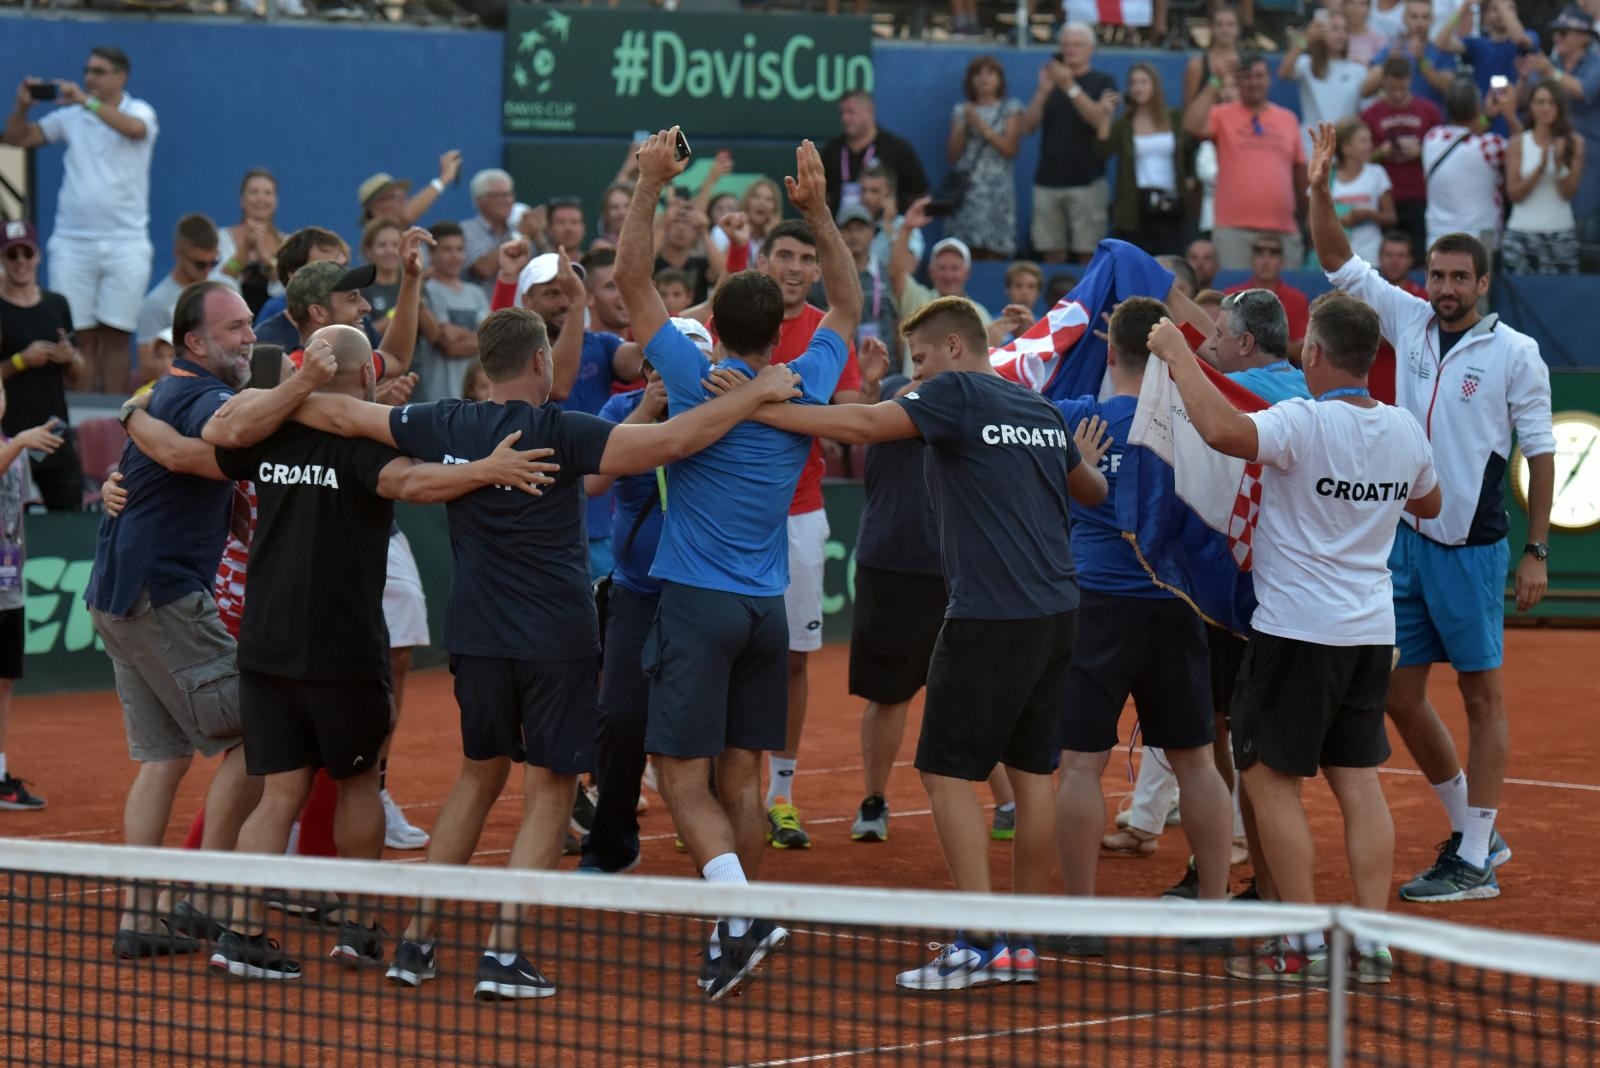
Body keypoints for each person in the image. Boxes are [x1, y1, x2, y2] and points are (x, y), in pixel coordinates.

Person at [285, 296, 799, 998]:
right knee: (550, 788)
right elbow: (675, 444)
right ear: (537, 361)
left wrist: (273, 394)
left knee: (477, 777)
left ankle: (416, 945)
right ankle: (501, 956)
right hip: (556, 638)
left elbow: (340, 413)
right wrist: (759, 393)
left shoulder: (441, 421)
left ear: (484, 366)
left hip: (476, 634)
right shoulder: (566, 430)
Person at [742, 294, 1107, 992]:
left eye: (920, 359)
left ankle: (975, 943)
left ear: (954, 351)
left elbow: (858, 422)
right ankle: (1020, 945)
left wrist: (756, 404)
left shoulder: (958, 395)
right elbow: (1088, 489)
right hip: (1058, 611)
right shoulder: (1038, 407)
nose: (915, 373)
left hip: (989, 614)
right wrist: (1077, 454)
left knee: (943, 772)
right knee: (1031, 777)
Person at [181, 326, 554, 982]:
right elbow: (413, 483)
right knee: (357, 782)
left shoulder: (266, 434)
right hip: (342, 648)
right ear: (361, 380)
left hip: (265, 647)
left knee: (278, 795)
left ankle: (239, 935)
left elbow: (216, 434)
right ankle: (356, 929)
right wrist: (488, 471)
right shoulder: (360, 443)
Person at [611, 132, 857, 999]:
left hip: (697, 606)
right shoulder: (807, 379)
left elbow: (634, 280)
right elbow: (853, 308)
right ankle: (733, 931)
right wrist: (822, 217)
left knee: (682, 776)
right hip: (765, 609)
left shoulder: (689, 373)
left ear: (713, 326)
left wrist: (648, 184)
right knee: (743, 775)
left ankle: (741, 915)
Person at [1144, 291, 1440, 984]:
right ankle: (1368, 942)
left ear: (1314, 352)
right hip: (1369, 635)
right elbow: (1430, 503)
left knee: (1268, 781)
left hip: (1297, 634)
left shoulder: (1301, 423)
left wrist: (1178, 351)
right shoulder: (1402, 429)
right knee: (1358, 783)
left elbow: (1220, 431)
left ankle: (1301, 942)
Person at [1310, 121, 1555, 904]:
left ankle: (1475, 857)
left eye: (1459, 278)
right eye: (1437, 275)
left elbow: (1541, 453)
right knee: (1397, 694)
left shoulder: (1517, 353)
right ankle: (1474, 830)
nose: (1445, 288)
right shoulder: (1408, 319)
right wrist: (1319, 189)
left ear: (1483, 284)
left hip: (1474, 548)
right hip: (1405, 544)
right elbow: (1335, 259)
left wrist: (1537, 550)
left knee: (1482, 698)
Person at [86, 280, 336, 959]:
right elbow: (221, 438)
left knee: (163, 760)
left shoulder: (169, 393)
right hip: (161, 597)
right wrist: (305, 381)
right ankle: (209, 898)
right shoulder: (201, 397)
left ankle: (145, 916)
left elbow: (190, 463)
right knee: (263, 733)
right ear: (194, 342)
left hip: (116, 597)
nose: (248, 335)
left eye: (250, 322)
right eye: (233, 328)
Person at [1054, 297, 1235, 935]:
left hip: (1095, 606)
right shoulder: (1194, 426)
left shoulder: (1075, 417)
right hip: (1175, 605)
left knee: (1080, 763)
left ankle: (1079, 918)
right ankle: (1215, 909)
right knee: (1196, 761)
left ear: (1110, 352)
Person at [578, 317, 716, 874]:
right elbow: (593, 481)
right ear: (651, 369)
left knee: (715, 729)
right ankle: (611, 846)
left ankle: (717, 842)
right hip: (637, 593)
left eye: (699, 361)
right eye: (673, 363)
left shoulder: (725, 411)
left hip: (705, 595)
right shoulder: (620, 411)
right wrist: (646, 412)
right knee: (620, 718)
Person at [5, 47, 158, 394]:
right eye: (87, 70)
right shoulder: (71, 115)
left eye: (99, 71)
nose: (89, 78)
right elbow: (17, 139)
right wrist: (23, 107)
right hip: (74, 244)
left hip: (126, 243)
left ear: (121, 77)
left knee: (118, 337)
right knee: (78, 337)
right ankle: (80, 423)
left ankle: (116, 426)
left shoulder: (140, 110)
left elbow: (134, 130)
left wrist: (85, 102)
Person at [1184, 52, 1309, 271]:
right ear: (1239, 80)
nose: (1254, 82)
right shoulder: (1221, 114)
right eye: (1247, 77)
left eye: (1259, 76)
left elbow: (1300, 173)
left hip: (1283, 228)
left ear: (1269, 79)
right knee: (1233, 299)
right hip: (1233, 229)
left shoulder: (1288, 119)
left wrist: (1307, 218)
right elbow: (1191, 125)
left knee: (1287, 300)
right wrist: (1216, 80)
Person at [0, 383, 64, 810]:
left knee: (3, 682)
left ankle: (0, 775)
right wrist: (21, 441)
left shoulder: (15, 449)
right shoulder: (15, 446)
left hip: (8, 583)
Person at [0, 221, 85, 511]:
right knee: (9, 526)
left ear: (37, 255)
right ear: (3, 259)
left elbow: (78, 374)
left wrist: (69, 357)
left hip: (54, 431)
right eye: (13, 255)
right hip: (8, 437)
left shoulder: (57, 304)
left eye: (27, 253)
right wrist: (22, 360)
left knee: (69, 518)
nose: (21, 261)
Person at [1021, 24, 1118, 264]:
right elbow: (1028, 126)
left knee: (1088, 252)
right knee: (1051, 250)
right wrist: (1043, 91)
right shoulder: (1051, 84)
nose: (1070, 50)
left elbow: (1100, 121)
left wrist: (1071, 88)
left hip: (1087, 180)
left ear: (1091, 49)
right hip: (1048, 179)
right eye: (1065, 45)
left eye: (1077, 45)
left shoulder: (1102, 81)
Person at [1521, 6, 1600, 269]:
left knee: (1582, 226)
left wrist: (1548, 73)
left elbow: (1583, 90)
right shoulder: (1551, 64)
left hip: (1587, 158)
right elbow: (1526, 99)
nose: (1558, 38)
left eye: (1565, 32)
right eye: (1556, 32)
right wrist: (1523, 77)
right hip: (1545, 152)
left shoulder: (1595, 62)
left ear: (1584, 36)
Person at [1095, 63, 1192, 257]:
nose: (1138, 87)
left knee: (1171, 260)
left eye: (1143, 82)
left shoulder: (1174, 118)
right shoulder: (1124, 124)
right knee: (1134, 261)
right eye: (1133, 83)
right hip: (1136, 205)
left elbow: (1190, 150)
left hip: (1170, 203)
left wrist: (1191, 179)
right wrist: (1105, 115)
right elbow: (1101, 152)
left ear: (1155, 85)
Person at [946, 55, 1026, 260]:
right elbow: (953, 155)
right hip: (968, 190)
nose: (984, 78)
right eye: (978, 74)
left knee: (995, 250)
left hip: (997, 191)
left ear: (999, 79)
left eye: (990, 73)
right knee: (965, 249)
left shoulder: (1011, 108)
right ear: (971, 80)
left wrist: (982, 127)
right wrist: (964, 125)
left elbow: (1010, 149)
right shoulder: (962, 110)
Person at [1363, 55, 1444, 258]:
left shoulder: (1429, 112)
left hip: (1418, 195)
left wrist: (1422, 153)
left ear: (1410, 81)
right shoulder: (1371, 114)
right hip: (1385, 199)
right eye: (1392, 89)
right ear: (1383, 83)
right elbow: (1359, 159)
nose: (1397, 94)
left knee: (1417, 257)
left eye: (1402, 88)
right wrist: (1381, 152)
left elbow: (1444, 155)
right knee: (1385, 258)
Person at [1423, 80, 1515, 251]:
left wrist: (1487, 117)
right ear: (1477, 109)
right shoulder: (1491, 146)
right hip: (1479, 243)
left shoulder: (1431, 138)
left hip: (1438, 241)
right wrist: (1510, 116)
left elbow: (1465, 141)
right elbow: (1522, 150)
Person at [1502, 81, 1585, 273]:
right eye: (1540, 102)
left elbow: (1569, 192)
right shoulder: (1518, 142)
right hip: (1521, 234)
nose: (1546, 108)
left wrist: (1559, 166)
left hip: (1561, 233)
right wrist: (1540, 168)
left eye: (1551, 102)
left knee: (1563, 298)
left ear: (1560, 107)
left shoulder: (1574, 142)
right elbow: (1514, 194)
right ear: (1531, 106)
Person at [889, 199, 996, 346]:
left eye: (955, 268)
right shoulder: (918, 301)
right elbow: (897, 272)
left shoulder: (979, 315)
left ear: (967, 273)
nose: (949, 275)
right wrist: (907, 227)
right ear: (930, 271)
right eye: (942, 268)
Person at [1435, 0, 1540, 135]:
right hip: (1483, 125)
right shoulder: (1476, 44)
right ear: (1485, 15)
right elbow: (1441, 43)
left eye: (1509, 9)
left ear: (1515, 14)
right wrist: (1464, 9)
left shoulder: (1530, 36)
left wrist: (1501, 6)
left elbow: (1519, 39)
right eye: (1494, 9)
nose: (1501, 13)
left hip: (1514, 126)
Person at [136, 214, 224, 371]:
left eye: (213, 263)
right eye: (200, 264)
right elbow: (147, 367)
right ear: (178, 254)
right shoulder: (155, 304)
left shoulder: (225, 292)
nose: (208, 270)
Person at [415, 221, 490, 402]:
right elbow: (448, 345)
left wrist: (460, 333)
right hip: (438, 397)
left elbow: (491, 342)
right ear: (431, 253)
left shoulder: (476, 293)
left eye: (460, 249)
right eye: (447, 250)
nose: (455, 256)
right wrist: (476, 337)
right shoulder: (428, 291)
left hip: (475, 399)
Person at [822, 90, 929, 215]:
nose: (845, 118)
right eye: (842, 113)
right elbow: (824, 196)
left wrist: (899, 223)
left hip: (887, 230)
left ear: (870, 111)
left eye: (851, 112)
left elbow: (919, 194)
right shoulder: (832, 150)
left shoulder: (897, 148)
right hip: (839, 229)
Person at [1282, 12, 1369, 157]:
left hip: (1345, 148)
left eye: (1345, 29)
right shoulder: (1306, 64)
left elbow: (1364, 111)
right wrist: (1304, 41)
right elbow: (1284, 73)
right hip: (1311, 146)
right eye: (1335, 29)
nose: (1341, 34)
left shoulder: (1359, 70)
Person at [1223, 235, 1311, 359]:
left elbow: (1302, 351)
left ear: (1282, 261)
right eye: (1260, 254)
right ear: (1251, 260)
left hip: (1281, 374)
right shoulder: (1231, 295)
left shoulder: (1297, 300)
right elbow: (1221, 344)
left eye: (1273, 254)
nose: (1266, 261)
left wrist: (1254, 342)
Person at [1365, 0, 1460, 108]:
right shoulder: (1393, 47)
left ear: (1432, 20)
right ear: (1404, 18)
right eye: (1414, 17)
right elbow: (1366, 89)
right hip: (1396, 119)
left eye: (1425, 17)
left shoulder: (1442, 50)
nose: (1419, 23)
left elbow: (1448, 87)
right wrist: (1390, 62)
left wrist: (1421, 61)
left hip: (1432, 121)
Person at [1331, 119, 1399, 265]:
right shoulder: (1327, 177)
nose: (1370, 146)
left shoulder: (1377, 173)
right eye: (1363, 141)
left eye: (1369, 140)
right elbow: (1312, 221)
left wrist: (1370, 214)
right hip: (1336, 258)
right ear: (1346, 147)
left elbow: (1391, 217)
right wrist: (1344, 220)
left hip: (1371, 257)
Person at [218, 169, 284, 318]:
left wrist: (265, 258)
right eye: (254, 192)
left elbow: (288, 284)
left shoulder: (287, 243)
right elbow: (219, 280)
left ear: (275, 200)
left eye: (268, 193)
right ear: (242, 200)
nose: (261, 198)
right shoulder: (222, 239)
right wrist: (244, 251)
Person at [836, 205, 900, 348]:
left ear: (871, 232)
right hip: (844, 366)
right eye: (848, 229)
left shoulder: (887, 272)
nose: (854, 235)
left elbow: (897, 322)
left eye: (860, 228)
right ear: (838, 234)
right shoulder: (828, 275)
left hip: (889, 367)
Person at [356, 151, 462, 227]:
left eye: (402, 195)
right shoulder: (379, 237)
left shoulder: (410, 235)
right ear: (376, 210)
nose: (402, 200)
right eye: (393, 197)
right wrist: (445, 177)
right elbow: (408, 214)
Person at [461, 168, 518, 292]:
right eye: (500, 196)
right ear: (479, 200)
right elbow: (483, 268)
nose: (508, 201)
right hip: (484, 308)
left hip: (521, 307)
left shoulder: (517, 230)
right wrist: (519, 235)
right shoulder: (466, 230)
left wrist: (539, 235)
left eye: (509, 194)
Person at [1183, 5, 1243, 104]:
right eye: (1219, 24)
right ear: (1210, 27)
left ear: (1238, 28)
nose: (1225, 30)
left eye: (1231, 25)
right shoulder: (1196, 66)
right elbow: (1190, 108)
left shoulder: (1248, 64)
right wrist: (1216, 80)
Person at [359, 218, 405, 338]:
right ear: (368, 250)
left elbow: (436, 337)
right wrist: (400, 310)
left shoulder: (412, 284)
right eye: (382, 245)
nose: (390, 251)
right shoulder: (360, 290)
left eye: (395, 245)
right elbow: (364, 336)